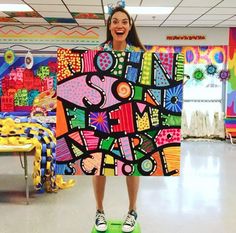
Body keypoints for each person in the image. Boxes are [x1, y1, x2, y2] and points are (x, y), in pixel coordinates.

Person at [93, 5, 146, 233]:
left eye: (124, 22)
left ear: (130, 26)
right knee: (99, 166)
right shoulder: (97, 53)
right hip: (101, 117)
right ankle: (99, 211)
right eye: (115, 21)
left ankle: (132, 211)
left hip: (130, 117)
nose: (119, 25)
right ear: (109, 26)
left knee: (132, 166)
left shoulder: (139, 55)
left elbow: (147, 87)